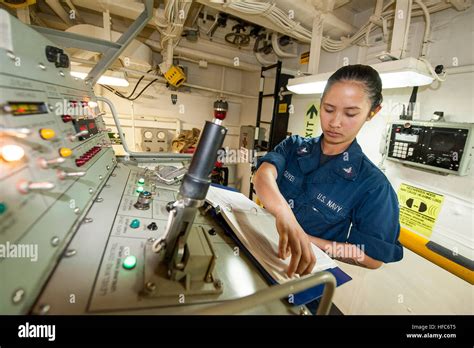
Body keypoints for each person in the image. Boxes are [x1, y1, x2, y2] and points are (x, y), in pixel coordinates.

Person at [253, 64, 403, 278]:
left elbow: (370, 258)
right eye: (328, 109)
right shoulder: (294, 146)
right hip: (258, 248)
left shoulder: (374, 186)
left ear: (372, 112)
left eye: (350, 113)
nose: (335, 123)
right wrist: (283, 214)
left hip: (300, 275)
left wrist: (306, 240)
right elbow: (262, 175)